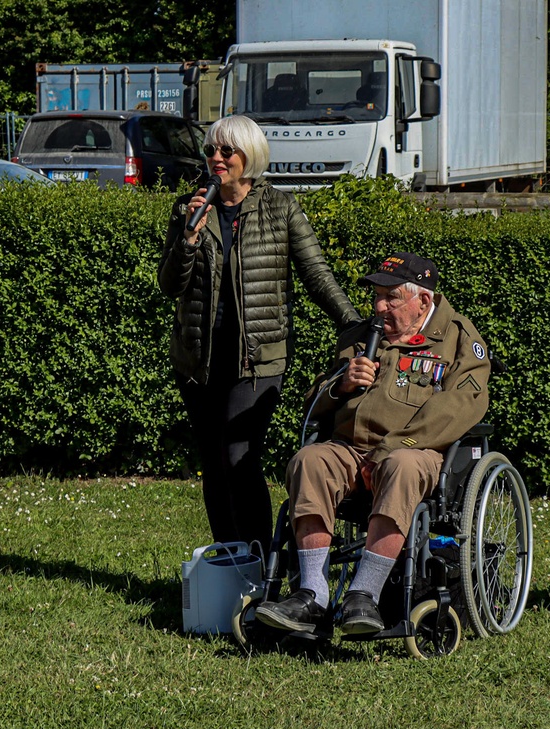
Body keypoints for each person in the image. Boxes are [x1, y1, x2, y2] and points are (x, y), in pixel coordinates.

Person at [255, 252, 490, 634]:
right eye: (376, 296)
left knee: (401, 466)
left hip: (417, 450)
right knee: (309, 460)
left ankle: (363, 594)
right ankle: (312, 595)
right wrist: (341, 384)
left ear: (423, 301)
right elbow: (314, 402)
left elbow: (461, 407)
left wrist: (393, 447)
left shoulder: (458, 340)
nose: (379, 307)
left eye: (391, 297)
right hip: (349, 449)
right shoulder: (361, 336)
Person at [158, 115, 359, 554]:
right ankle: (229, 560)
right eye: (211, 150)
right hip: (200, 356)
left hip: (258, 359)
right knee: (213, 462)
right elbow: (170, 285)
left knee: (239, 458)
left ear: (249, 156)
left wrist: (353, 322)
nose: (216, 159)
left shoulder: (280, 207)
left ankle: (258, 561)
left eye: (226, 151)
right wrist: (189, 236)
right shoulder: (188, 209)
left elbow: (315, 273)